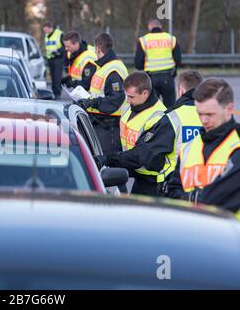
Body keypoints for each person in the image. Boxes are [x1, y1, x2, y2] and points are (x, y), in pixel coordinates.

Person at [166, 79, 240, 214]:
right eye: (200, 114)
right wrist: (189, 198)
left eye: (210, 114)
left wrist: (193, 200)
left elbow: (226, 198)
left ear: (229, 109)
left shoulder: (236, 144)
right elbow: (173, 190)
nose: (204, 120)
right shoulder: (189, 147)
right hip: (194, 230)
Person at [94, 71, 167, 196]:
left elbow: (140, 155)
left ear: (145, 94)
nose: (127, 100)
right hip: (134, 172)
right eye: (126, 95)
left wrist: (109, 159)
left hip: (152, 182)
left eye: (131, 97)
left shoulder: (158, 117)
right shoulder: (131, 107)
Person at [152, 70, 204, 194]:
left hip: (175, 184)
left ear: (180, 90)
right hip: (206, 183)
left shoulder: (172, 117)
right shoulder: (214, 116)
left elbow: (152, 154)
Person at [77, 33, 128, 155]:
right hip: (101, 123)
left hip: (110, 125)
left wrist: (92, 102)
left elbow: (115, 100)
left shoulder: (113, 70)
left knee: (107, 161)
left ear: (98, 48)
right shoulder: (104, 66)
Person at [135, 18, 181, 109]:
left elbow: (138, 62)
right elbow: (178, 59)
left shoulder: (144, 40)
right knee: (170, 107)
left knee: (152, 108)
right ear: (160, 27)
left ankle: (155, 123)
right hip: (168, 76)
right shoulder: (171, 39)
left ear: (149, 27)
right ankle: (169, 123)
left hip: (151, 78)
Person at [42, 22, 65, 98]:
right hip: (50, 59)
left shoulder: (59, 34)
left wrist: (57, 51)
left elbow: (64, 46)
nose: (45, 32)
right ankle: (54, 92)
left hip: (58, 59)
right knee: (52, 77)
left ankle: (57, 94)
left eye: (46, 30)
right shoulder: (46, 36)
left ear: (50, 28)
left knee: (57, 76)